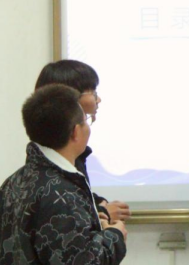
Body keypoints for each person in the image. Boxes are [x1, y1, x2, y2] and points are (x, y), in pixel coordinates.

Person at [0, 84, 127, 265]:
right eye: (86, 120)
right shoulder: (62, 194)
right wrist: (115, 236)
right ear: (75, 132)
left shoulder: (11, 183)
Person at [35, 60, 131, 224]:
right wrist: (102, 215)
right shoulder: (52, 172)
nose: (98, 99)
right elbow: (66, 220)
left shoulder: (71, 157)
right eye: (92, 92)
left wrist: (97, 202)